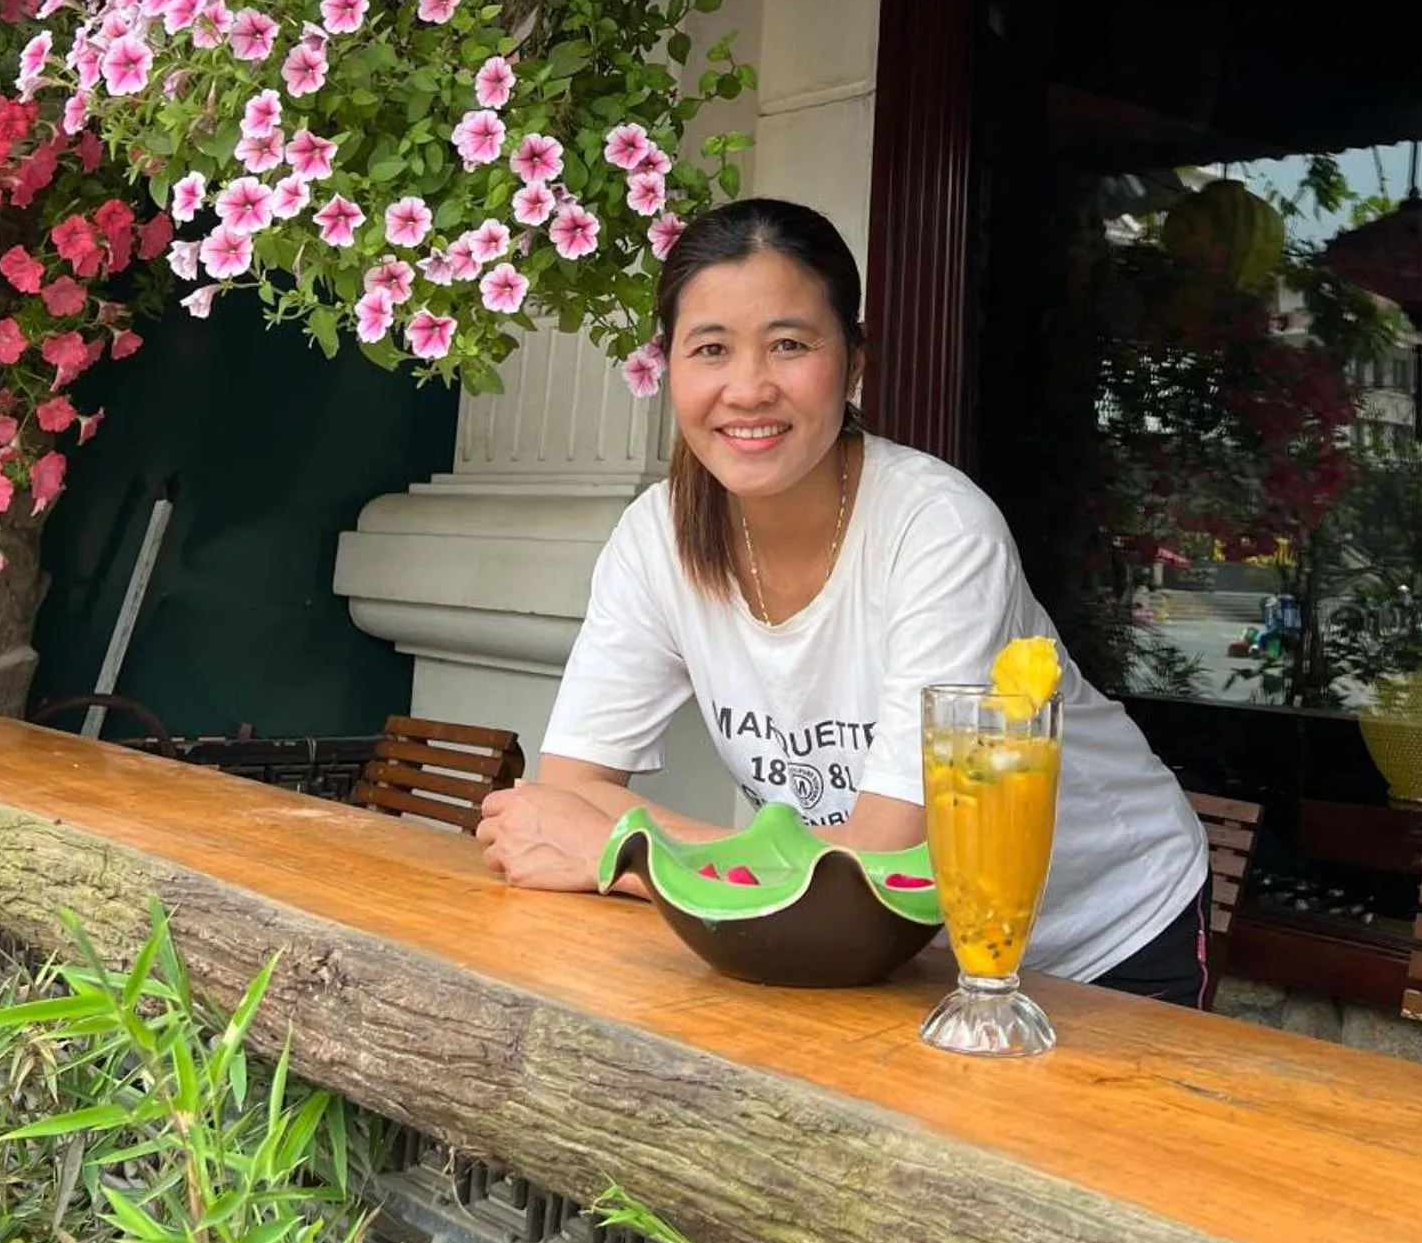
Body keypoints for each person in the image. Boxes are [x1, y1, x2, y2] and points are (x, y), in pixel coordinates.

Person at [477, 199, 1211, 1004]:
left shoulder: (938, 532)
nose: (749, 388)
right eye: (711, 348)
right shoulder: (657, 540)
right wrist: (643, 847)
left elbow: (877, 872)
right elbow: (565, 794)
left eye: (789, 345)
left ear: (855, 363)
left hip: (1092, 939)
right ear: (671, 369)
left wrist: (626, 846)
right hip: (855, 955)